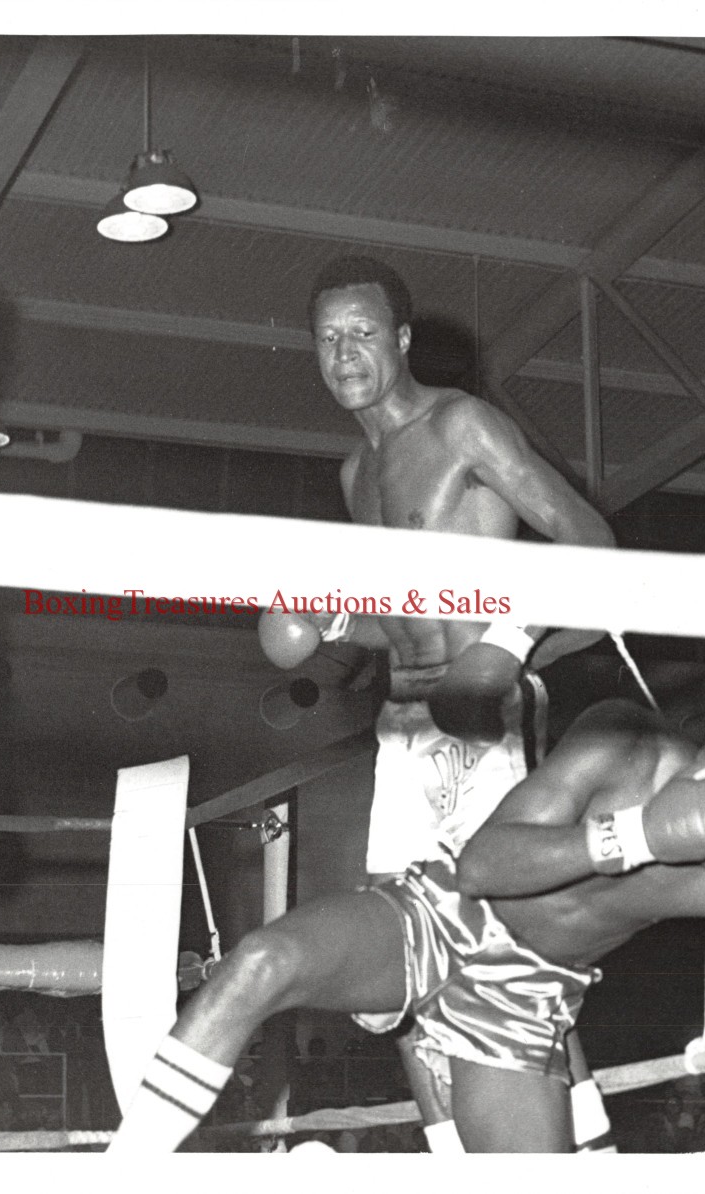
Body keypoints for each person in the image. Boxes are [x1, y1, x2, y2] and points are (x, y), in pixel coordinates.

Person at [107, 685, 705, 1152]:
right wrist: (640, 836)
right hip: (446, 915)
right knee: (260, 964)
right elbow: (483, 865)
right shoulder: (623, 741)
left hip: (524, 1003)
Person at [256, 254, 616, 1146]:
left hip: (487, 722)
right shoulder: (355, 476)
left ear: (402, 340)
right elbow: (402, 619)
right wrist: (334, 622)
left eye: (363, 334)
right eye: (328, 339)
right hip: (403, 732)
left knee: (507, 955)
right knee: (409, 969)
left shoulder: (463, 427)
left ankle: (589, 1156)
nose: (344, 354)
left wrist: (506, 643)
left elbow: (593, 543)